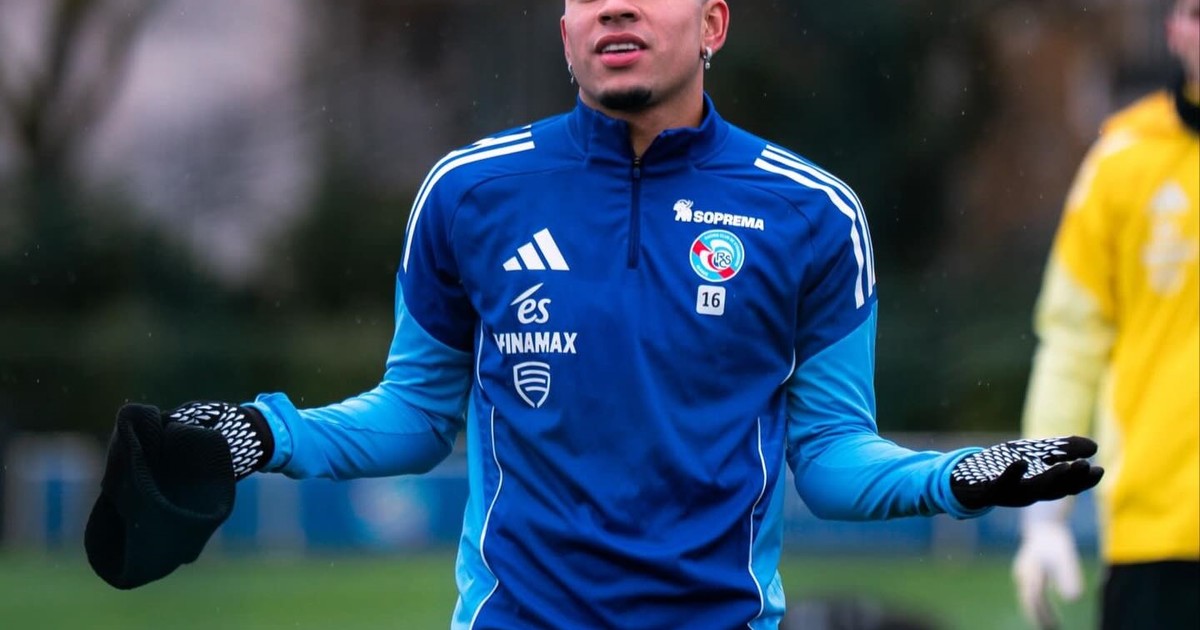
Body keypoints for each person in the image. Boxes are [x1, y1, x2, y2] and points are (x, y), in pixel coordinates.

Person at [93, 1, 1102, 627]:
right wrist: (258, 432)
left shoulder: (812, 214)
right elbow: (414, 415)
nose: (615, 7)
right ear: (566, 28)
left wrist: (957, 479)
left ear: (713, 24)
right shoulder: (468, 193)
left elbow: (832, 460)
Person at [1010, 1, 1199, 629]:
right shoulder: (1121, 163)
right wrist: (1042, 510)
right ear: (1174, 29)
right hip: (1159, 534)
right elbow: (1071, 347)